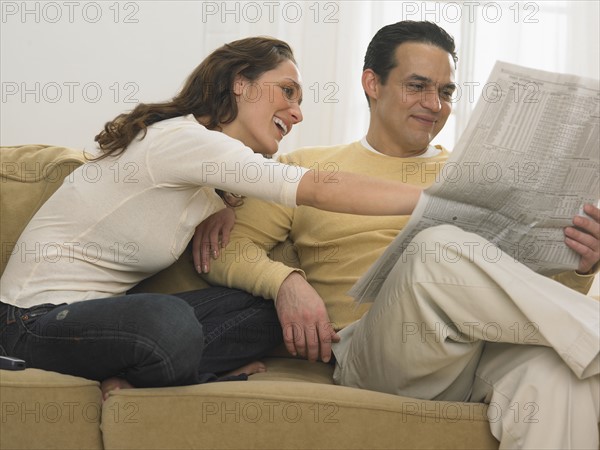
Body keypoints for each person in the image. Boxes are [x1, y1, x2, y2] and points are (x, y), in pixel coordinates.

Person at [197, 22, 600, 448]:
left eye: (445, 92)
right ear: (372, 83)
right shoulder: (307, 170)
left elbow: (521, 294)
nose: (434, 104)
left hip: (479, 350)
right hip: (377, 353)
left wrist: (582, 264)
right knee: (433, 247)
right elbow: (225, 250)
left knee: (562, 375)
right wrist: (284, 282)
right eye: (417, 86)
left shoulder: (480, 176)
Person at [0, 37, 424, 400]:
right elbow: (316, 187)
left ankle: (145, 372)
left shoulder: (210, 174)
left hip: (100, 321)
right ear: (240, 82)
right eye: (288, 91)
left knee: (266, 307)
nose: (297, 113)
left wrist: (225, 206)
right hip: (30, 321)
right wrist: (430, 199)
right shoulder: (184, 139)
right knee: (168, 324)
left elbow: (209, 185)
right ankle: (164, 372)